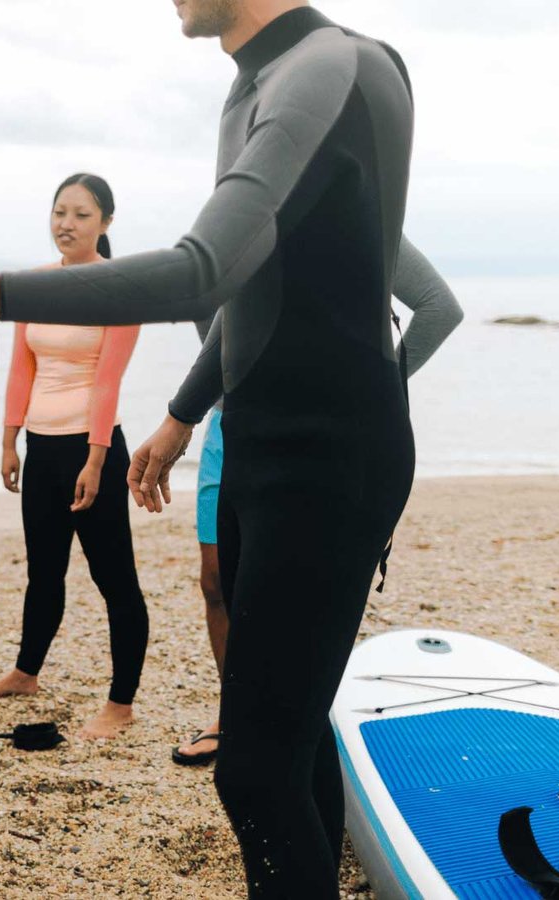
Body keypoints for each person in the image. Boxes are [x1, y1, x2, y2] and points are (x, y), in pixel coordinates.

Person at [0, 2, 434, 895]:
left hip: (329, 455)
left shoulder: (323, 68)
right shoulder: (272, 77)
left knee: (252, 769)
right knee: (288, 743)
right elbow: (260, 286)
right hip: (272, 444)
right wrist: (184, 415)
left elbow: (204, 269)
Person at [172, 244, 463, 765]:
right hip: (231, 428)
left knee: (281, 596)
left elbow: (441, 308)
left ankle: (284, 723)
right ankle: (235, 711)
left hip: (311, 442)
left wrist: (379, 388)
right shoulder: (241, 221)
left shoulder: (372, 220)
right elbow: (212, 309)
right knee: (216, 581)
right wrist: (216, 397)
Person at [0, 174, 148, 740]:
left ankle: (121, 704)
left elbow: (107, 384)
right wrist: (8, 439)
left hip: (92, 448)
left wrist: (96, 461)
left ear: (106, 223)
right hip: (42, 450)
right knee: (43, 572)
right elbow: (22, 367)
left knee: (114, 577)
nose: (66, 224)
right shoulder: (36, 285)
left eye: (81, 214)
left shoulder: (119, 290)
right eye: (60, 212)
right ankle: (26, 673)